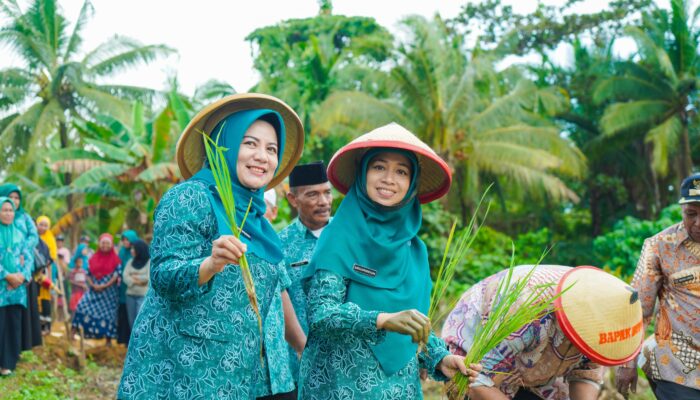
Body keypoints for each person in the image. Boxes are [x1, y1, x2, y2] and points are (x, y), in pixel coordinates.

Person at [118, 93, 306, 399]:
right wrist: (209, 265)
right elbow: (163, 276)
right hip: (180, 376)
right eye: (250, 143)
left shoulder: (257, 221)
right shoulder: (190, 197)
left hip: (235, 380)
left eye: (272, 149)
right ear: (225, 144)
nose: (263, 156)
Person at [298, 123, 471, 398]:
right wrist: (383, 319)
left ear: (411, 184)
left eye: (401, 171)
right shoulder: (339, 235)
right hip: (339, 385)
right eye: (379, 167)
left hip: (398, 389)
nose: (389, 178)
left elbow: (414, 322)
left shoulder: (415, 250)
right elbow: (321, 315)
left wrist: (439, 357)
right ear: (363, 173)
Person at [442, 265, 644, 400]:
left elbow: (586, 372)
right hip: (484, 346)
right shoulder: (527, 311)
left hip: (541, 362)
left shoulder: (606, 318)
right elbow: (478, 382)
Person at [616, 173, 700, 399]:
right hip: (676, 365)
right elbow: (638, 308)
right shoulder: (659, 246)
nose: (698, 222)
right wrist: (627, 362)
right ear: (681, 210)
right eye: (691, 214)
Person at [277, 161, 332, 384]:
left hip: (347, 360)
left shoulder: (347, 235)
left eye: (327, 193)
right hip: (299, 363)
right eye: (313, 195)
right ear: (293, 199)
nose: (324, 202)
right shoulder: (280, 245)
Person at [0, 184, 41, 351]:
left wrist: (23, 253)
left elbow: (33, 237)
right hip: (4, 277)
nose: (14, 203)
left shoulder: (24, 218)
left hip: (21, 270)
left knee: (18, 316)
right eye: (12, 198)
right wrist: (7, 275)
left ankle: (16, 352)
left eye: (17, 198)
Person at [0, 197, 32, 376]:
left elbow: (28, 258)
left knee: (13, 324)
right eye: (4, 210)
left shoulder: (20, 233)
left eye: (11, 210)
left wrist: (21, 276)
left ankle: (8, 364)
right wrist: (7, 276)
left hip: (17, 290)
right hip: (2, 288)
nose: (8, 213)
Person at [71, 233, 120, 345]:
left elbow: (116, 275)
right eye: (103, 243)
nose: (105, 245)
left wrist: (104, 286)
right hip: (93, 290)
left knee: (109, 315)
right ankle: (72, 333)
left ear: (111, 245)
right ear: (99, 244)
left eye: (107, 243)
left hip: (109, 294)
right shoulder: (93, 258)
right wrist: (93, 285)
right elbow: (87, 273)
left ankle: (108, 340)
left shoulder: (116, 259)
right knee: (81, 307)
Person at [116, 230, 140, 346]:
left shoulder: (136, 251)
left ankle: (133, 340)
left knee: (135, 313)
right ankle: (123, 339)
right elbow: (118, 266)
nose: (125, 242)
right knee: (124, 311)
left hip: (137, 288)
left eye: (127, 239)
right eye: (123, 239)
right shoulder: (122, 252)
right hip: (123, 287)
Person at [121, 239, 150, 329]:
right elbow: (125, 276)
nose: (131, 251)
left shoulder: (149, 262)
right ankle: (132, 342)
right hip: (130, 295)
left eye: (134, 249)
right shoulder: (130, 262)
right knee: (131, 322)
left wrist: (133, 276)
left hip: (143, 295)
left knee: (140, 320)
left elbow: (148, 278)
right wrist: (139, 281)